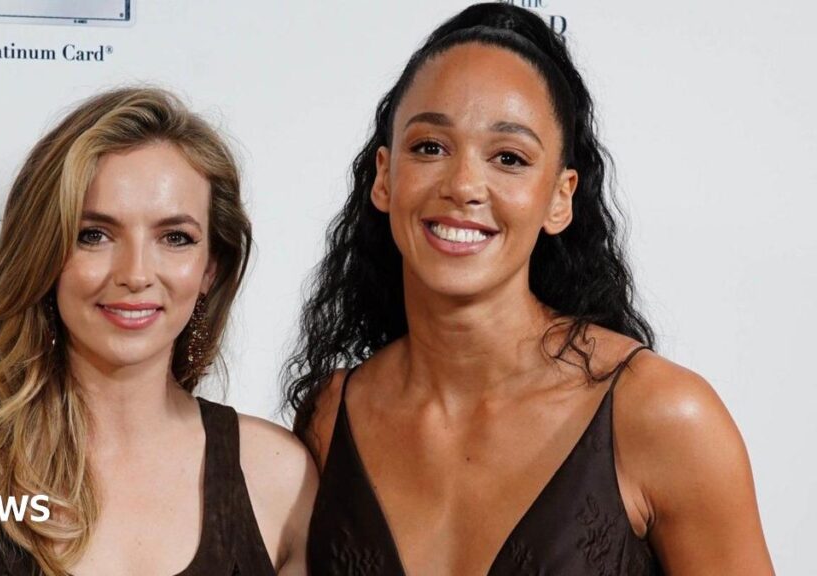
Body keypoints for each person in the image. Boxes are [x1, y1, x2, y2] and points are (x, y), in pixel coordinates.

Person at [284, 4, 773, 574]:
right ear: (385, 177)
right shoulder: (331, 415)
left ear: (560, 197)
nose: (464, 184)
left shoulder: (663, 417)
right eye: (430, 148)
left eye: (509, 158)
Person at [0, 87, 316, 576]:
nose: (136, 273)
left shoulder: (278, 477)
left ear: (209, 271)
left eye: (174, 238)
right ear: (44, 255)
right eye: (93, 234)